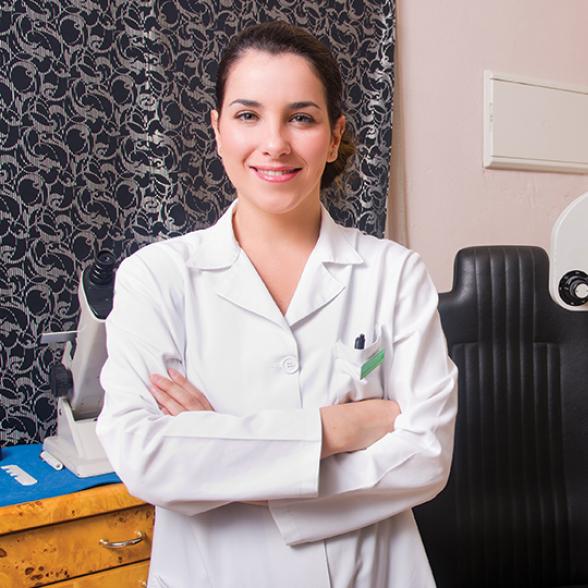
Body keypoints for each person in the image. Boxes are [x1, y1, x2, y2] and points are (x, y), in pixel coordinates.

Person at [97, 21, 458, 588]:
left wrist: (222, 451)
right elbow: (148, 458)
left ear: (334, 136)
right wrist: (338, 429)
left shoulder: (395, 273)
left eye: (302, 117)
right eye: (247, 115)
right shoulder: (156, 277)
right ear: (217, 131)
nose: (275, 143)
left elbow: (427, 455)